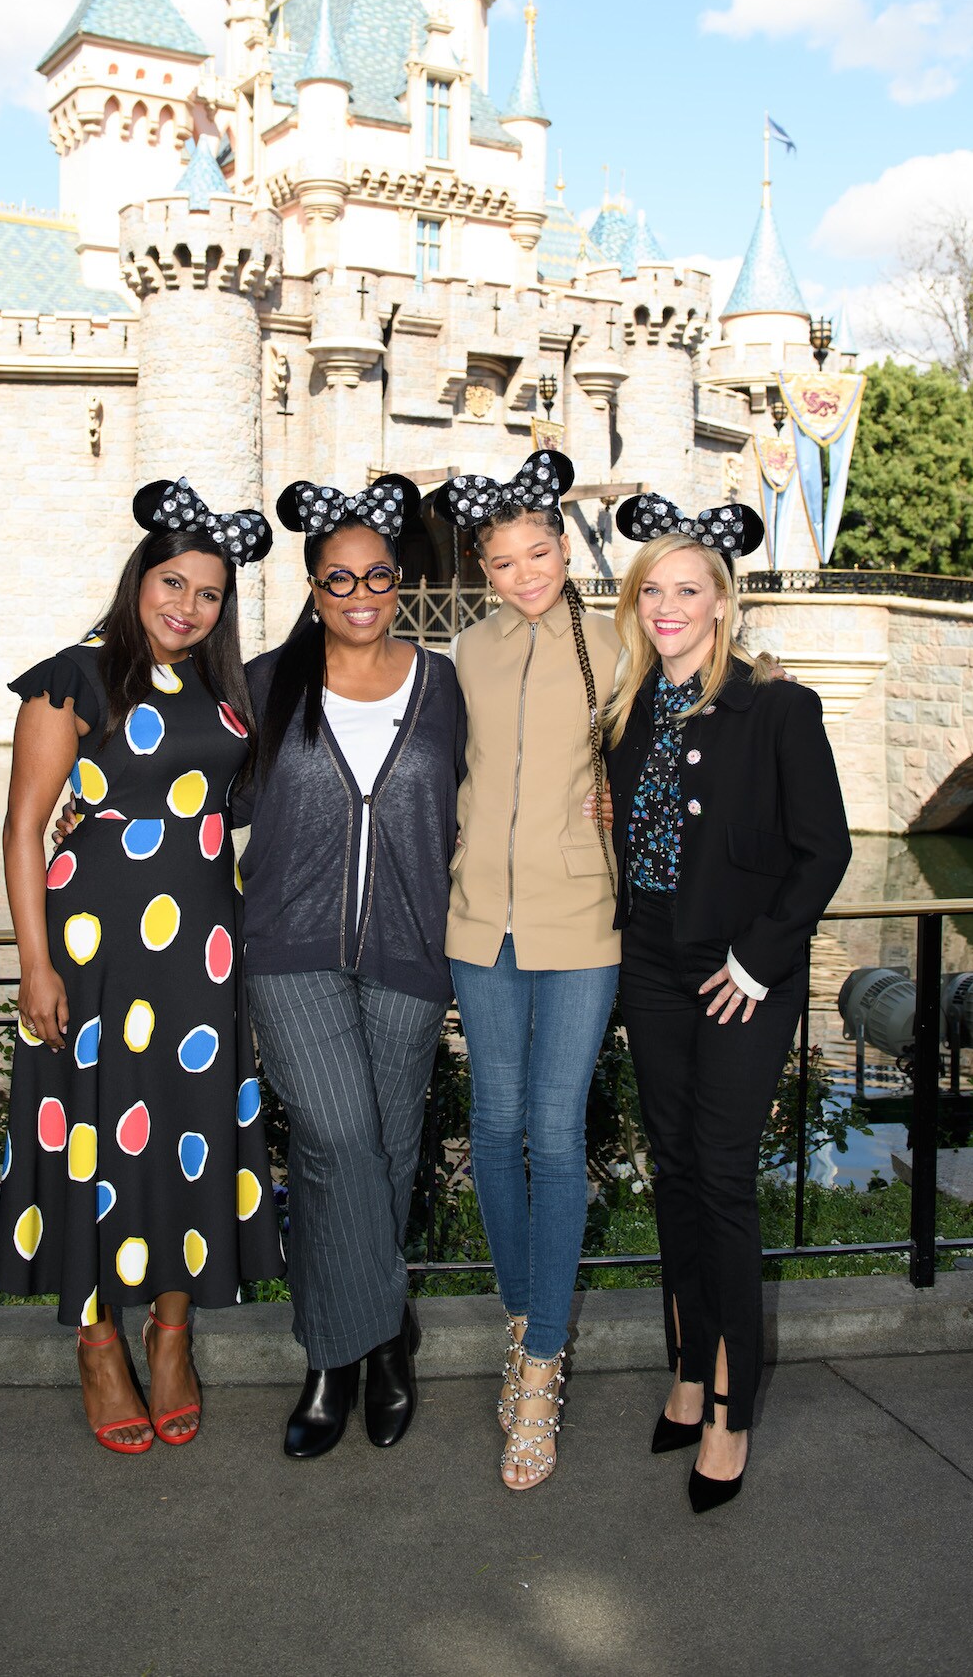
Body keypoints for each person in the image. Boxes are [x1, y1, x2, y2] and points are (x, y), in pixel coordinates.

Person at [0, 478, 284, 1455]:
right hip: (90, 950)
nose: (186, 607)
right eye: (171, 584)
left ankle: (170, 1334)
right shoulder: (68, 678)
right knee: (91, 1133)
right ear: (137, 580)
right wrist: (36, 966)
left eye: (207, 594)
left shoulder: (223, 686)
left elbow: (227, 798)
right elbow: (25, 826)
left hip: (200, 954)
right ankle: (93, 1341)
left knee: (181, 1134)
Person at [603, 492, 850, 1513]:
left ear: (720, 602)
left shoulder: (774, 704)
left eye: (686, 590)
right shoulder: (623, 710)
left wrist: (757, 958)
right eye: (651, 590)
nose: (668, 607)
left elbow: (820, 849)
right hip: (651, 964)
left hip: (739, 972)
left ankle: (730, 1405)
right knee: (671, 1170)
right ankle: (686, 1360)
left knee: (721, 1178)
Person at [238, 476, 466, 1458]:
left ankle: (359, 1352)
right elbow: (171, 782)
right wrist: (83, 804)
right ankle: (356, 1347)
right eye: (339, 579)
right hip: (287, 951)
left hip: (412, 951)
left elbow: (522, 786)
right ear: (313, 585)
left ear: (399, 578)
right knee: (334, 1139)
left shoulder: (447, 686)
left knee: (390, 1150)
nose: (360, 593)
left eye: (377, 575)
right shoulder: (258, 684)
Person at [431, 449, 620, 1493]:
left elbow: (675, 749)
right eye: (501, 560)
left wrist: (615, 810)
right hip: (477, 925)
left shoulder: (615, 643)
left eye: (537, 552)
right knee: (493, 1130)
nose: (523, 573)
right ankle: (525, 1320)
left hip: (581, 919)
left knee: (555, 1131)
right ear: (483, 570)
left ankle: (541, 1365)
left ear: (563, 548)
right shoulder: (464, 655)